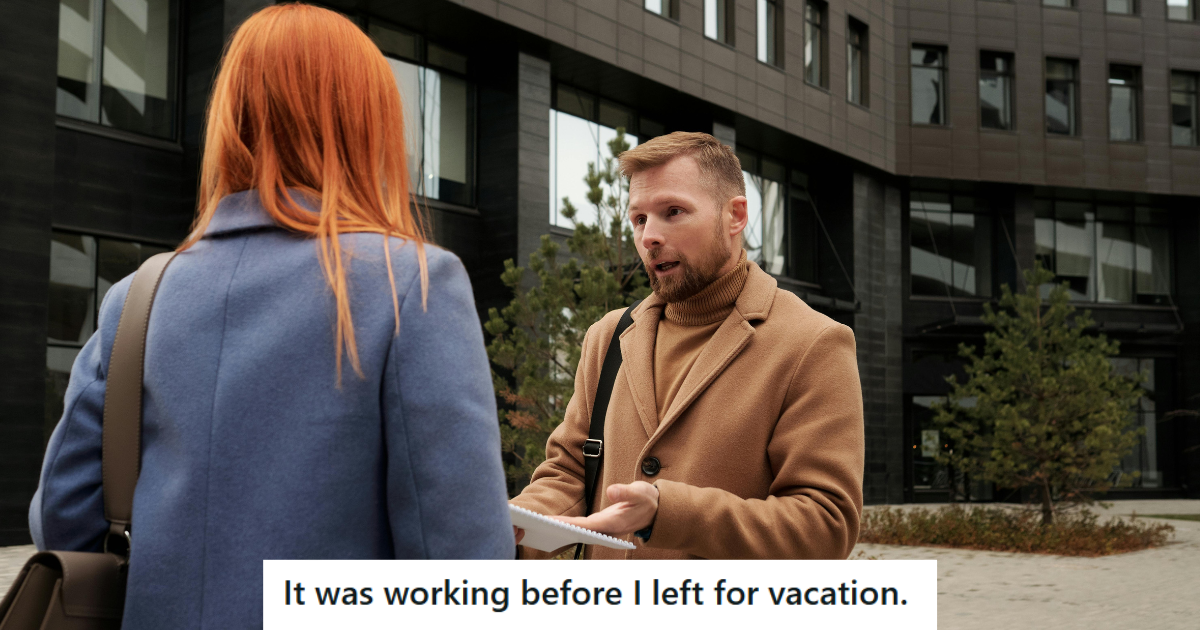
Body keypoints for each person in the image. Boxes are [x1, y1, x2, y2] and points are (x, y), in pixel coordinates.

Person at [28, 4, 514, 628]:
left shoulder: (138, 297)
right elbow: (463, 569)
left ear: (231, 119)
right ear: (368, 126)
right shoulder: (412, 283)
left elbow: (63, 517)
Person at [510, 132, 864, 559]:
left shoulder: (814, 343)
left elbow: (826, 525)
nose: (649, 236)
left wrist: (669, 515)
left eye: (673, 212)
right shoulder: (608, 336)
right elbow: (568, 474)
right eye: (639, 219)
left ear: (735, 216)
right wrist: (507, 528)